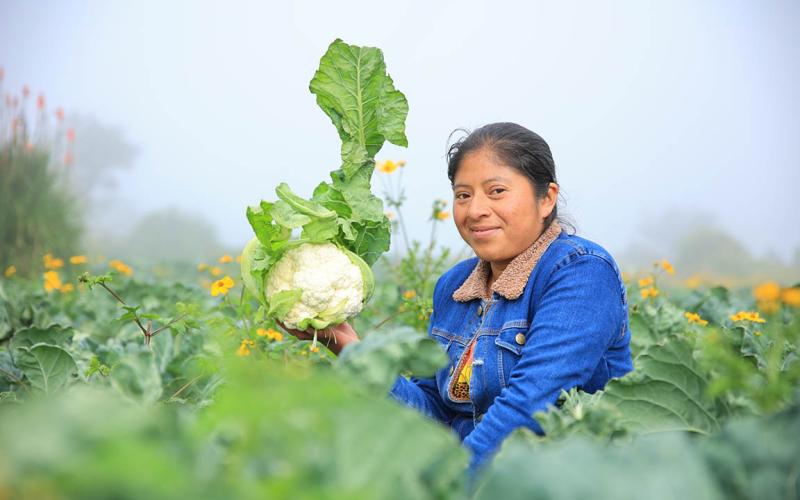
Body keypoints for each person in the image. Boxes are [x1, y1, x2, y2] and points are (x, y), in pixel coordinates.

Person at [279, 122, 634, 478]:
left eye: (496, 191)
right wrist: (348, 346)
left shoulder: (580, 271)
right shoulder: (454, 287)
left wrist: (443, 487)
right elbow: (431, 418)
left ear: (546, 199)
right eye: (463, 195)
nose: (475, 210)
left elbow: (529, 405)